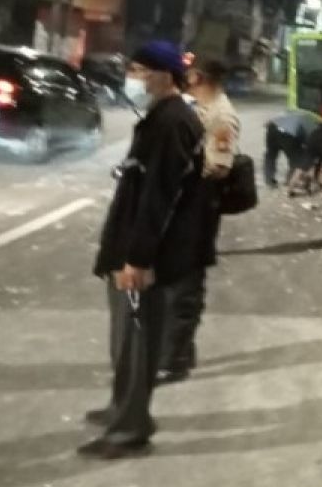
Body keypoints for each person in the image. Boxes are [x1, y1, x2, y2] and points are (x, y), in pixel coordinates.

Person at [80, 41, 204, 460]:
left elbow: (160, 197)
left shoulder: (173, 123)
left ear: (165, 76)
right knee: (124, 341)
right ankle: (122, 410)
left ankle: (129, 430)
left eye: (138, 70)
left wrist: (138, 258)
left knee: (136, 344)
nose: (131, 78)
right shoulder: (159, 117)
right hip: (128, 249)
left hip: (143, 256)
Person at [157, 59, 240, 383]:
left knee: (184, 285)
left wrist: (184, 170)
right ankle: (179, 351)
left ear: (198, 76)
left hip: (200, 206)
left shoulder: (221, 114)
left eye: (188, 74)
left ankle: (173, 359)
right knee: (173, 281)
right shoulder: (198, 108)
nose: (183, 78)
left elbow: (219, 166)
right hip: (185, 205)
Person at [264, 110, 321, 188]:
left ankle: (269, 180)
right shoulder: (311, 125)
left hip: (272, 129)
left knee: (270, 156)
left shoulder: (288, 115)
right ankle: (290, 179)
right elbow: (308, 142)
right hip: (288, 135)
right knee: (296, 158)